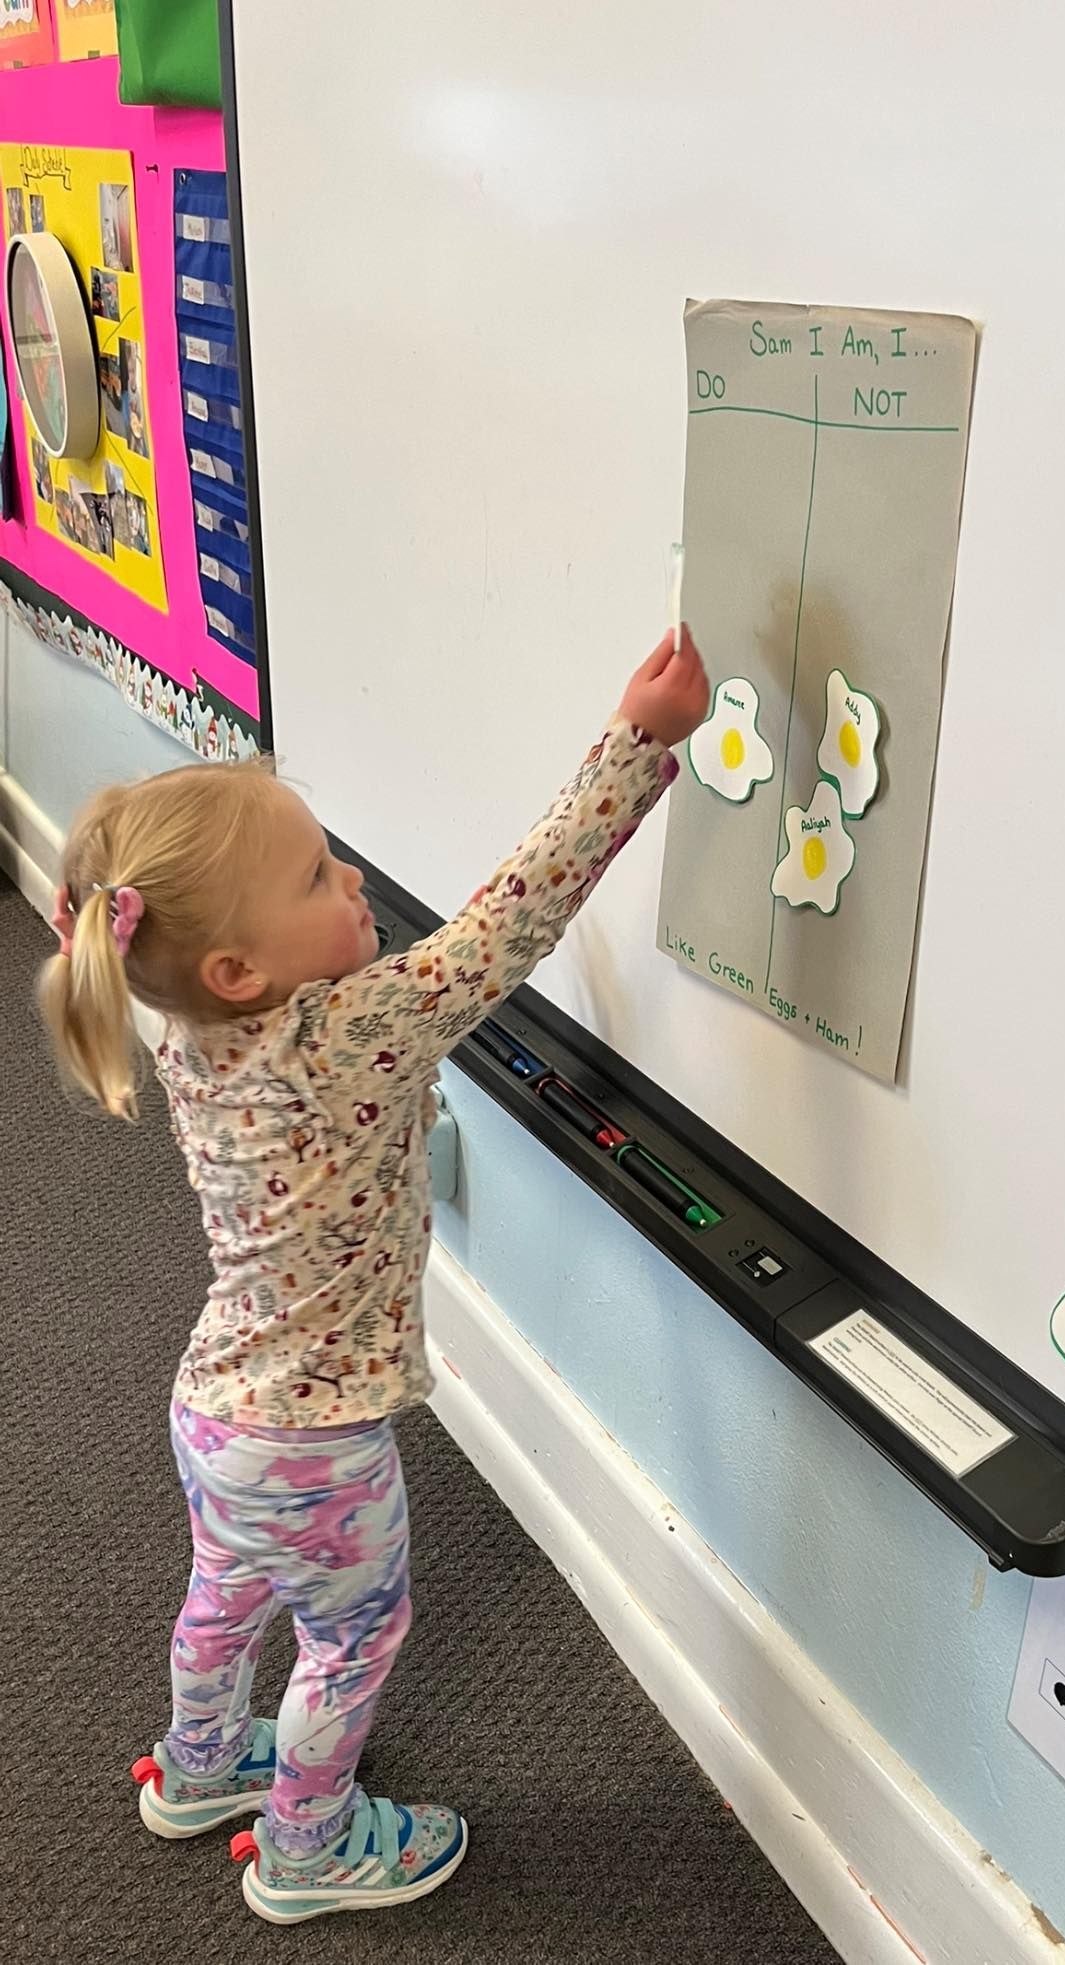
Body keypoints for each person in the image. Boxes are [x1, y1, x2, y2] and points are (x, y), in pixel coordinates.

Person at [39, 626, 709, 1925]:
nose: (350, 878)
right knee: (351, 1638)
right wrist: (640, 742)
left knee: (225, 1593)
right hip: (314, 1445)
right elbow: (510, 918)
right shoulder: (357, 1031)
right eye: (314, 876)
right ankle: (310, 1841)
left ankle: (199, 1763)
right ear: (242, 968)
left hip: (213, 1409)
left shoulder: (184, 1030)